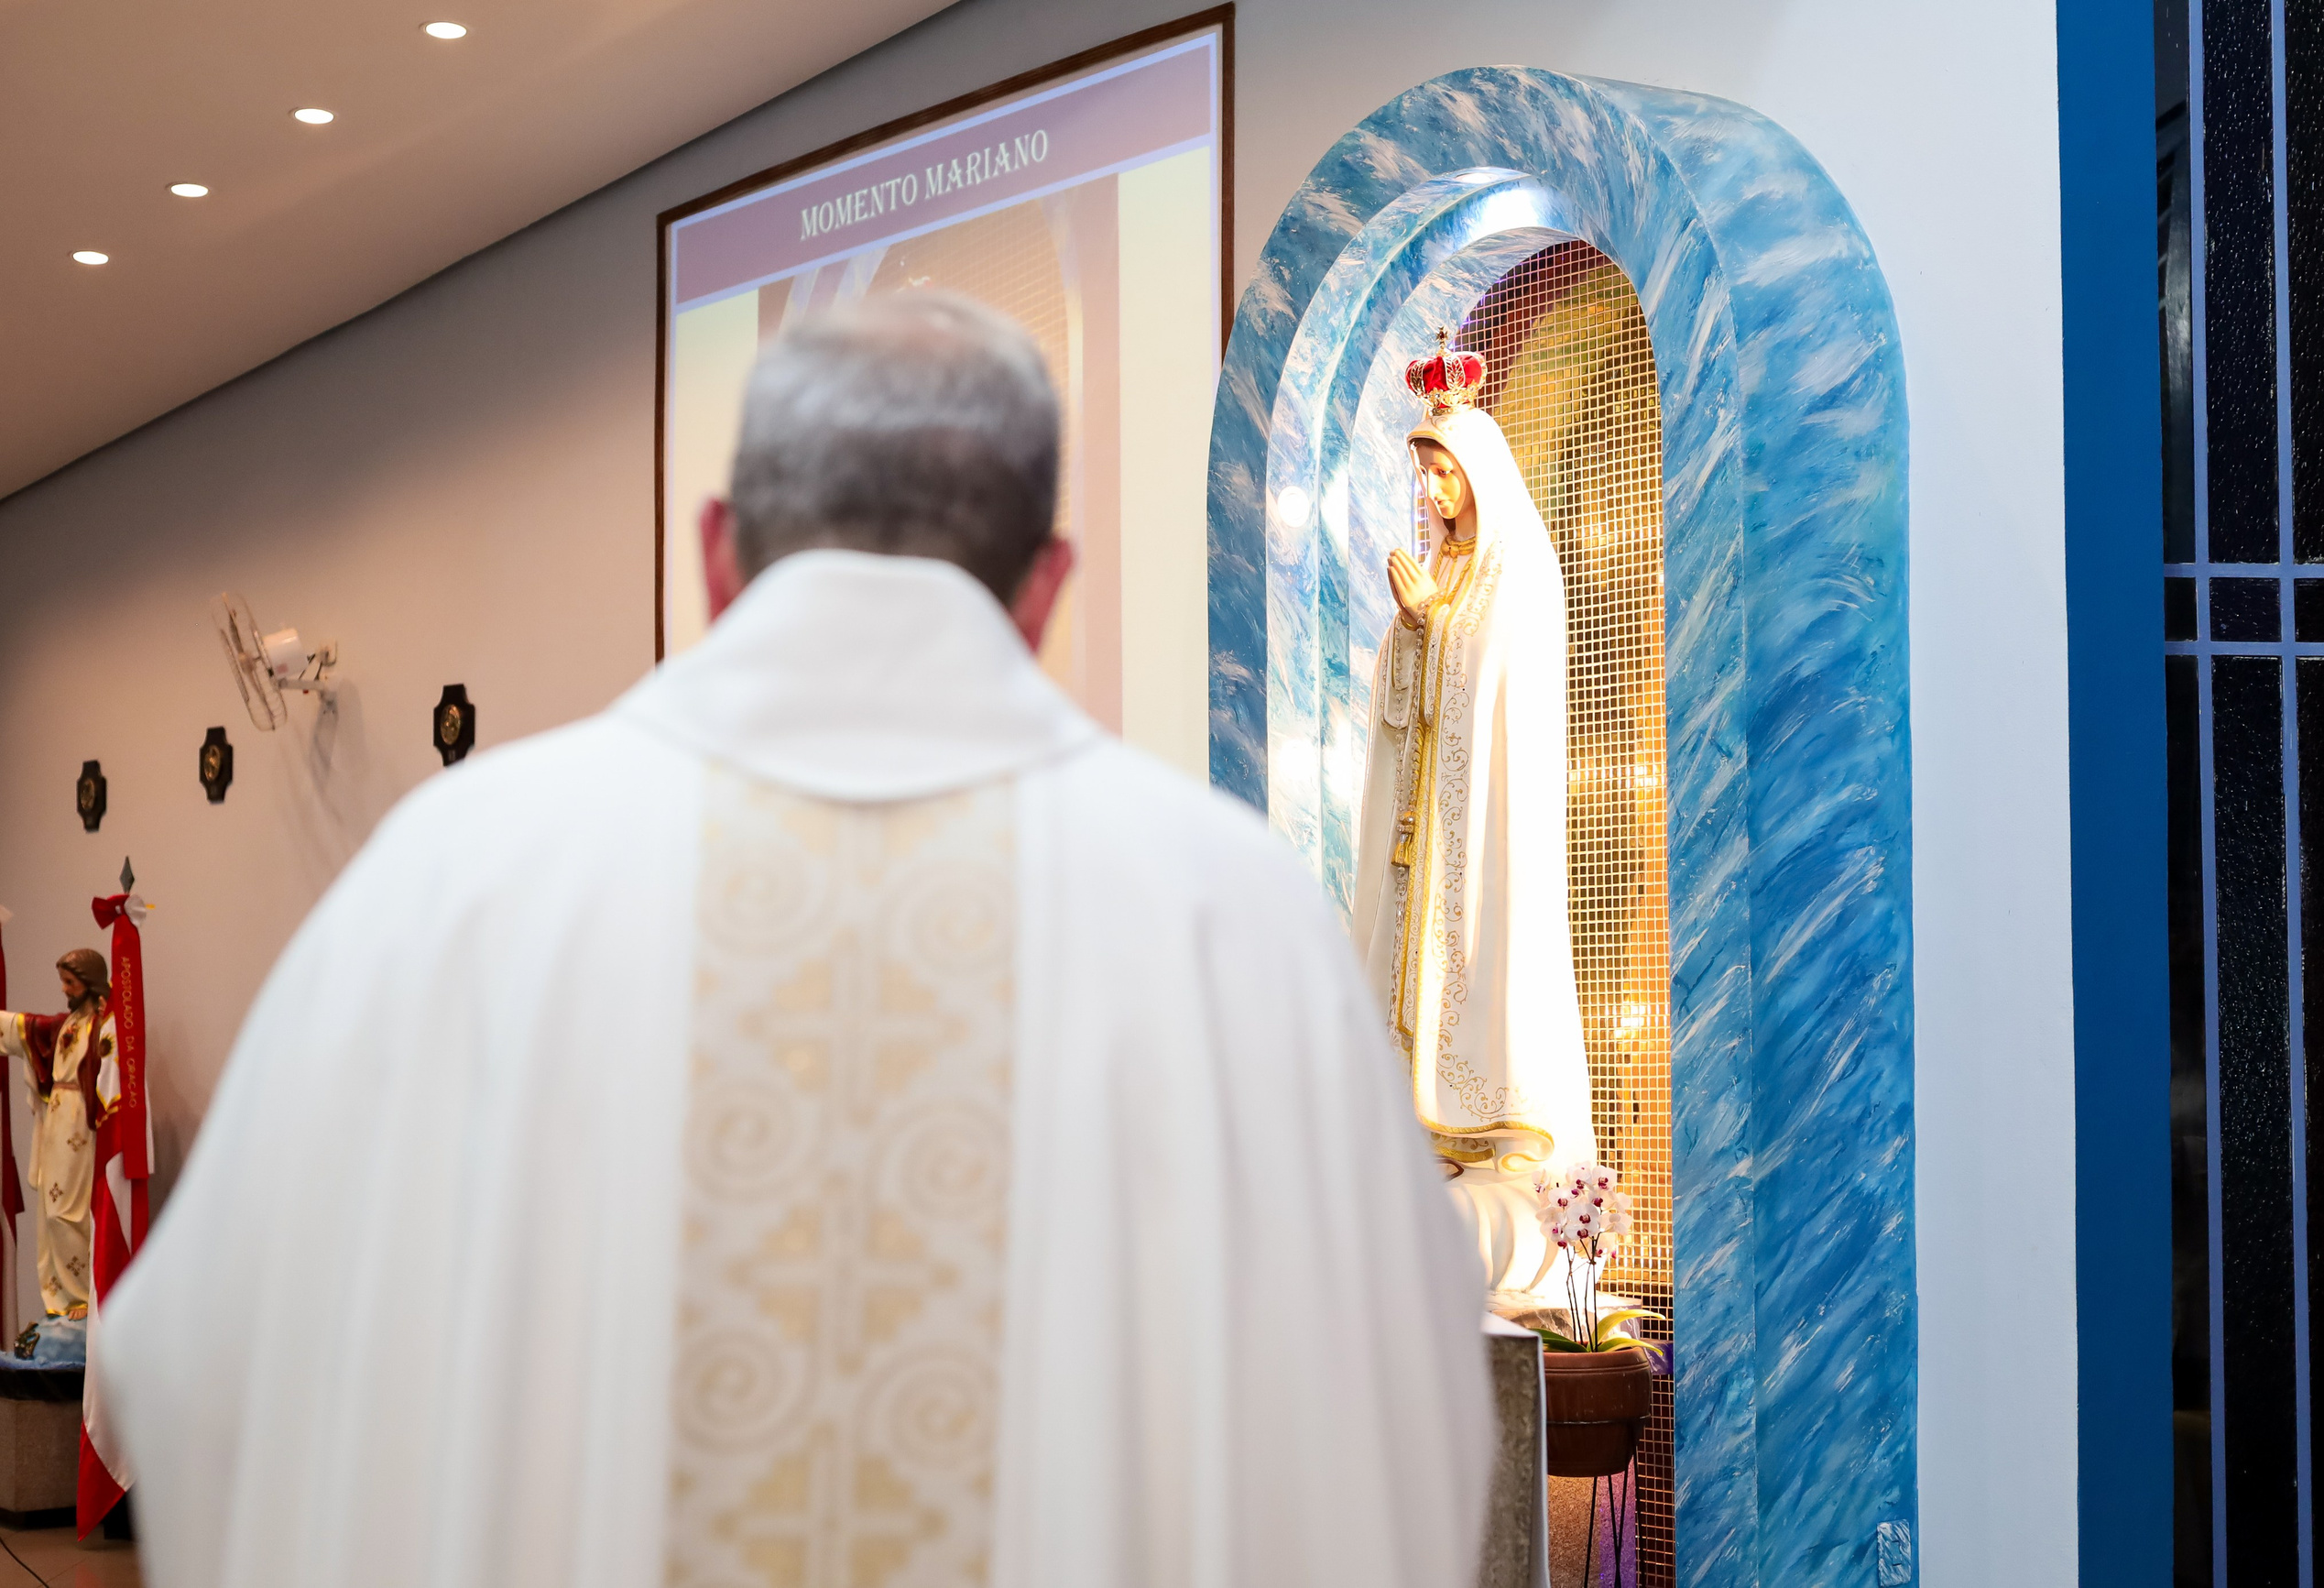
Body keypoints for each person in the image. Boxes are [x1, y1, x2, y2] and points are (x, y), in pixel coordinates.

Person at [103, 293, 1493, 1588]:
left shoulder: (453, 881)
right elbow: (1402, 1425)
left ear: (718, 554)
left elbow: (183, 1371)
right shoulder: (1233, 923)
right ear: (1049, 583)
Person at [1353, 376, 1598, 1305]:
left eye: (1444, 472)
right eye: (1423, 473)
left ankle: (1496, 1137)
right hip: (1424, 835)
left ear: (1479, 473)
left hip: (1484, 842)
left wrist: (1436, 622)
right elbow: (1402, 706)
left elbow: (1501, 675)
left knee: (1478, 971)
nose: (1431, 491)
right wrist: (1413, 633)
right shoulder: (1444, 571)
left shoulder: (1517, 568)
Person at [0, 947, 115, 1320]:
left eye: (70, 982)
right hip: (57, 1120)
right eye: (63, 982)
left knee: (69, 1211)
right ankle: (58, 1297)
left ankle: (80, 1295)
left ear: (90, 983)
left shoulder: (101, 1025)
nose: (64, 989)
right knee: (50, 1212)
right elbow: (27, 1028)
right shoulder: (68, 1023)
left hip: (79, 1124)